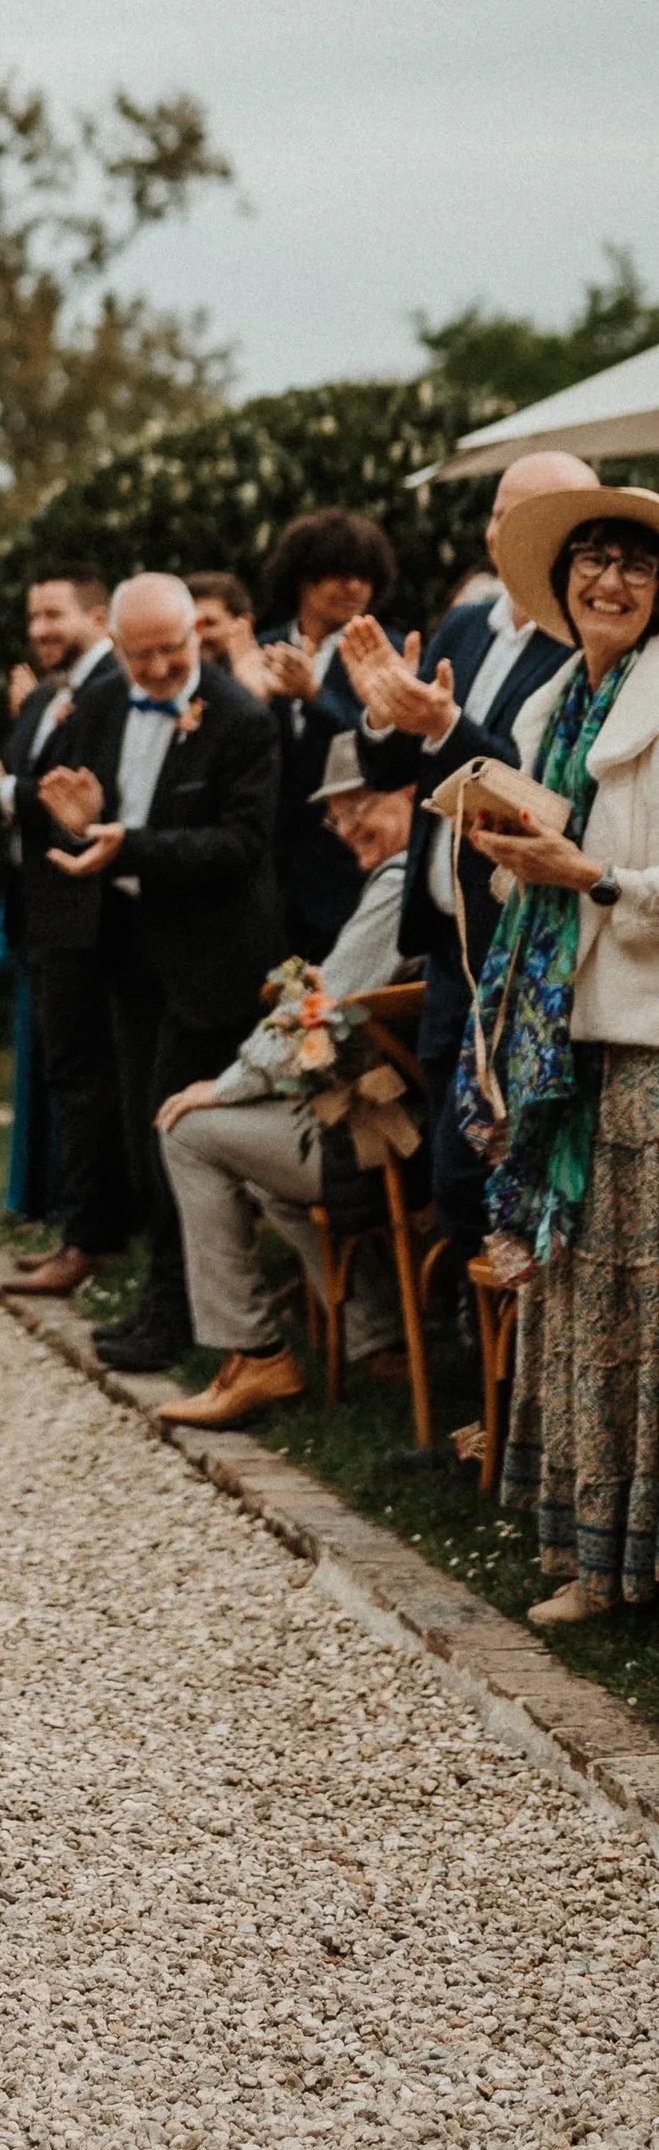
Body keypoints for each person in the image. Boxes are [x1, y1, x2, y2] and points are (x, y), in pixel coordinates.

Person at [451, 484, 659, 1624]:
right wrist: (502, 850)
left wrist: (594, 880)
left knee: (639, 1314)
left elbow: (611, 878)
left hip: (643, 1047)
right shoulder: (549, 708)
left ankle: (624, 1563)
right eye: (590, 561)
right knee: (573, 1303)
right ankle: (581, 1544)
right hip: (556, 1041)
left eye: (633, 564)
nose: (608, 584)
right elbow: (532, 874)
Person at [339, 450, 597, 1281]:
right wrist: (382, 714)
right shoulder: (463, 625)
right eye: (495, 512)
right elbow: (390, 770)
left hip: (519, 944)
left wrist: (446, 728)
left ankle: (504, 1387)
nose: (500, 532)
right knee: (451, 1181)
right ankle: (478, 1385)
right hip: (445, 945)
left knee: (488, 1170)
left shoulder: (582, 645)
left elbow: (540, 800)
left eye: (525, 516)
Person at [30, 572, 282, 1375]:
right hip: (124, 945)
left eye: (171, 651)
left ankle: (178, 1316)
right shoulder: (103, 701)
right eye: (140, 657)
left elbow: (242, 846)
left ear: (195, 638)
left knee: (174, 1130)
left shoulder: (241, 719)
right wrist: (72, 821)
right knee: (143, 1133)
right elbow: (70, 793)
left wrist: (126, 844)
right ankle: (164, 1300)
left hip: (210, 957)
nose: (159, 670)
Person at [152, 742, 416, 1425]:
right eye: (342, 832)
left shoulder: (401, 881)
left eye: (365, 825)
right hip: (401, 1121)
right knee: (264, 1167)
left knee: (190, 1132)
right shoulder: (418, 873)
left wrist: (230, 1084)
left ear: (407, 791)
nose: (357, 848)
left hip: (397, 1137)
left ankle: (256, 1353)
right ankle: (375, 1339)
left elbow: (323, 1008)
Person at [0, 567, 121, 1293]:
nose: (41, 630)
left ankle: (91, 1243)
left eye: (55, 615)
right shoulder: (51, 695)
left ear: (99, 615)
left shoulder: (109, 688)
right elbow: (25, 783)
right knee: (64, 1075)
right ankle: (76, 1231)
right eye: (34, 617)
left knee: (84, 1081)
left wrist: (1, 787)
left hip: (84, 913)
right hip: (39, 911)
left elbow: (86, 793)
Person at [258, 511, 396, 961]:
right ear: (302, 579)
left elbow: (386, 746)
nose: (353, 587)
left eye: (364, 576)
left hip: (343, 863)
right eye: (339, 574)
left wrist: (315, 695)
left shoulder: (385, 649)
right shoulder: (263, 648)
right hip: (267, 869)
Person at [188, 573, 272, 700]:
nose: (197, 635)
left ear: (244, 623)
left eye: (208, 623)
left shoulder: (275, 679)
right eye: (189, 625)